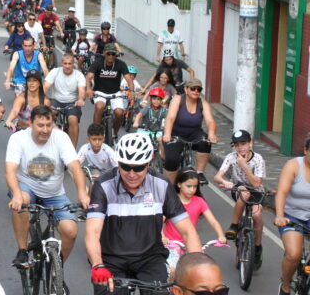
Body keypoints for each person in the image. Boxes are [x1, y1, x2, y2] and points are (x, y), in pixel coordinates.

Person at [86, 134, 201, 295]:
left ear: (148, 163)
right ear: (118, 163)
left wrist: (197, 270)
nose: (131, 174)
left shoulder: (161, 184)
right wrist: (98, 265)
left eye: (138, 168)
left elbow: (188, 232)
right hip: (111, 259)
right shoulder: (103, 185)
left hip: (150, 258)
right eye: (126, 166)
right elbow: (92, 232)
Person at [6, 105, 89, 274]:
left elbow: (75, 167)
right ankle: (22, 250)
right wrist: (15, 195)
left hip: (54, 193)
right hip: (27, 187)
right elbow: (10, 171)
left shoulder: (61, 138)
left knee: (70, 231)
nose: (45, 130)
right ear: (31, 123)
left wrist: (82, 193)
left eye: (48, 125)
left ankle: (56, 271)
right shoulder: (18, 139)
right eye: (40, 125)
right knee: (22, 200)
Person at [212, 129, 265, 267]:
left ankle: (258, 247)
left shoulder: (258, 159)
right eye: (236, 145)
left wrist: (244, 166)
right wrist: (225, 182)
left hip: (257, 191)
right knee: (244, 191)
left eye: (243, 143)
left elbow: (256, 183)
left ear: (250, 143)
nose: (240, 147)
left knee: (257, 215)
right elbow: (217, 176)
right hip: (239, 189)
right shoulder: (231, 157)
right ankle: (234, 226)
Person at [163, 170, 227, 276]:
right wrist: (162, 237)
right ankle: (170, 291)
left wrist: (221, 235)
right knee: (173, 270)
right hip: (172, 244)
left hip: (191, 243)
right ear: (179, 184)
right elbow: (159, 222)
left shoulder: (199, 201)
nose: (192, 190)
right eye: (188, 186)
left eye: (195, 186)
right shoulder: (172, 201)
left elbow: (213, 221)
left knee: (199, 271)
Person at [162, 79, 218, 185]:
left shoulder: (203, 103)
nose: (196, 91)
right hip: (175, 133)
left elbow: (210, 121)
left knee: (205, 141)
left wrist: (211, 133)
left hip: (194, 133)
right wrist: (167, 134)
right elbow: (170, 118)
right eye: (193, 88)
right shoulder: (178, 99)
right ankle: (169, 187)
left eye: (199, 89)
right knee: (172, 160)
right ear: (186, 89)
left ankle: (200, 173)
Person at [274, 133, 310, 295]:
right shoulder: (294, 166)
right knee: (294, 254)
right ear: (305, 150)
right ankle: (286, 284)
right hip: (292, 217)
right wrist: (280, 216)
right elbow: (281, 193)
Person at [85, 43, 133, 137]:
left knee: (119, 113)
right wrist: (89, 89)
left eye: (113, 54)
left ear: (115, 54)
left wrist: (131, 91)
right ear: (104, 53)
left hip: (115, 93)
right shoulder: (97, 63)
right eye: (108, 54)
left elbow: (129, 79)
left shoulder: (121, 64)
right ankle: (96, 132)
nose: (111, 56)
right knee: (99, 107)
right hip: (100, 92)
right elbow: (88, 77)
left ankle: (114, 132)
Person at [43, 53, 86, 146]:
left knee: (72, 120)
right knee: (48, 115)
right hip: (56, 100)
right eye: (65, 63)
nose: (67, 66)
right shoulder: (55, 72)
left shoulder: (78, 75)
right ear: (61, 63)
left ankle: (72, 150)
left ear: (73, 64)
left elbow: (82, 90)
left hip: (72, 103)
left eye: (69, 64)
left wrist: (81, 99)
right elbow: (45, 87)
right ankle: (46, 141)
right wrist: (41, 96)